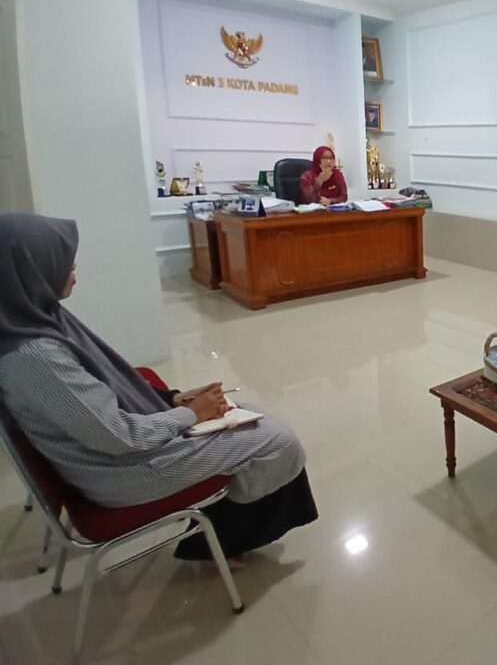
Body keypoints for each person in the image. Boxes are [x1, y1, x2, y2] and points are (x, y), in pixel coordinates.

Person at [0, 214, 318, 562]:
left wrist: (170, 400)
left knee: (247, 414)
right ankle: (219, 539)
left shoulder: (31, 316)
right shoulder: (34, 356)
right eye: (62, 259)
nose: (73, 267)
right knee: (277, 442)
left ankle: (219, 523)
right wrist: (189, 415)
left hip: (113, 452)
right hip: (121, 471)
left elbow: (97, 388)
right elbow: (117, 437)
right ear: (29, 269)